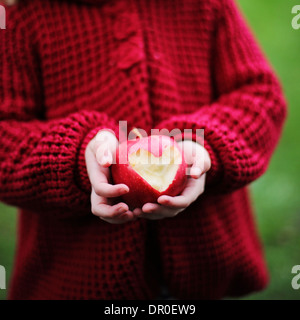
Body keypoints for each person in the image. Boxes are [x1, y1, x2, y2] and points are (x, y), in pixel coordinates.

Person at [0, 0, 286, 300]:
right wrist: (76, 158)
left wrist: (203, 144)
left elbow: (261, 96)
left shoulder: (207, 5)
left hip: (203, 266)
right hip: (75, 276)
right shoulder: (23, 15)